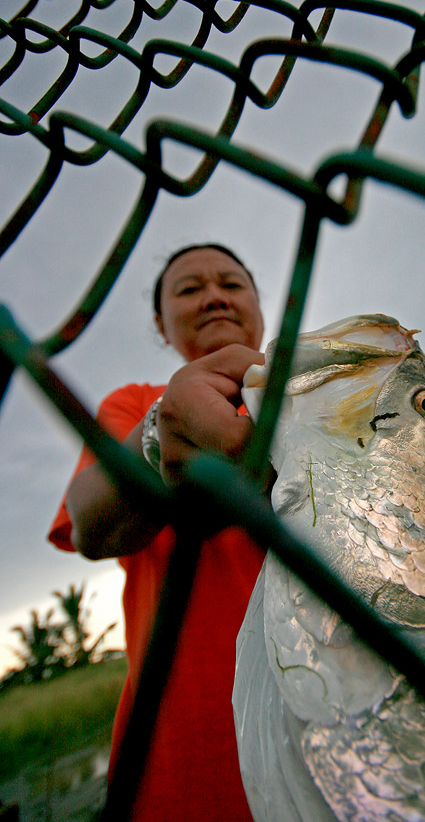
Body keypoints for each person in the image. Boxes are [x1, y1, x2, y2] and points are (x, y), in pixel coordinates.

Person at [48, 244, 268, 821]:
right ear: (159, 324)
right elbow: (91, 522)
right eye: (189, 288)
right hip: (186, 762)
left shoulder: (312, 391)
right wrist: (156, 437)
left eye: (231, 283)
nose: (215, 295)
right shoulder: (135, 405)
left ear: (260, 304)